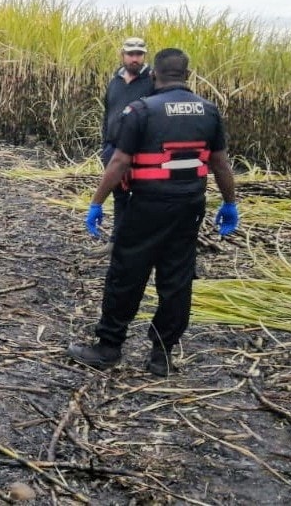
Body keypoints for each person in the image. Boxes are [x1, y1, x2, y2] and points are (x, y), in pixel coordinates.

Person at [68, 48, 238, 377]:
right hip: (189, 207)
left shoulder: (141, 110)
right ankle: (161, 355)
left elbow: (119, 162)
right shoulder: (209, 111)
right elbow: (220, 163)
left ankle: (109, 347)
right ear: (187, 74)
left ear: (154, 74)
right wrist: (230, 203)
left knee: (127, 273)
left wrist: (97, 201)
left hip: (146, 205)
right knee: (177, 279)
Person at [93, 37, 155, 254]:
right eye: (131, 54)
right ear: (123, 55)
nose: (135, 58)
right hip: (113, 149)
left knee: (140, 196)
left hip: (140, 152)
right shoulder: (115, 81)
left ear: (144, 55)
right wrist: (105, 146)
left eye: (139, 54)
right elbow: (107, 114)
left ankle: (138, 244)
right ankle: (115, 241)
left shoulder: (152, 81)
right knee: (118, 195)